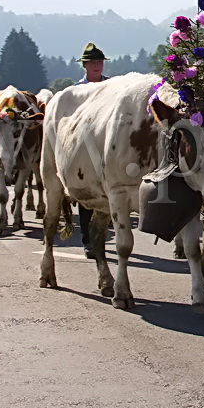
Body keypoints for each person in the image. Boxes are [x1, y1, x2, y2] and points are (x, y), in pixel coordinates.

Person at [75, 42, 110, 257]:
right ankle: (87, 239)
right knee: (86, 194)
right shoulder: (76, 90)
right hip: (85, 147)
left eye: (100, 62)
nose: (98, 66)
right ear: (85, 66)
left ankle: (100, 238)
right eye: (93, 62)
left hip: (106, 145)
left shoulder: (112, 87)